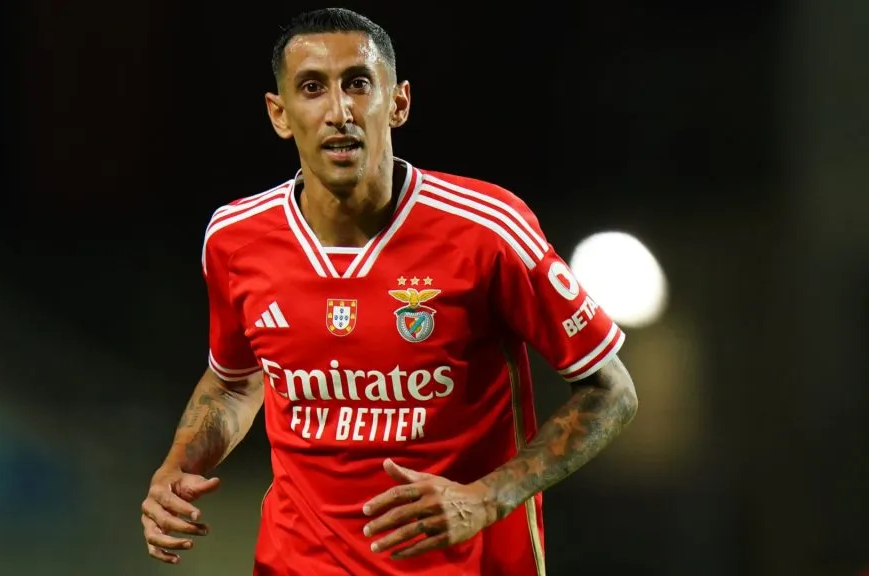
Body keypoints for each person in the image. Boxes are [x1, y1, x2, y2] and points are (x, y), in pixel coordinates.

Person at [140, 7, 639, 575]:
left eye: (358, 83)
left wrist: (486, 497)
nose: (339, 111)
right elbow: (234, 384)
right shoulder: (235, 239)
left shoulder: (487, 230)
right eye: (312, 88)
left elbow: (611, 391)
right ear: (279, 114)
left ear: (397, 102)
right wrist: (177, 467)